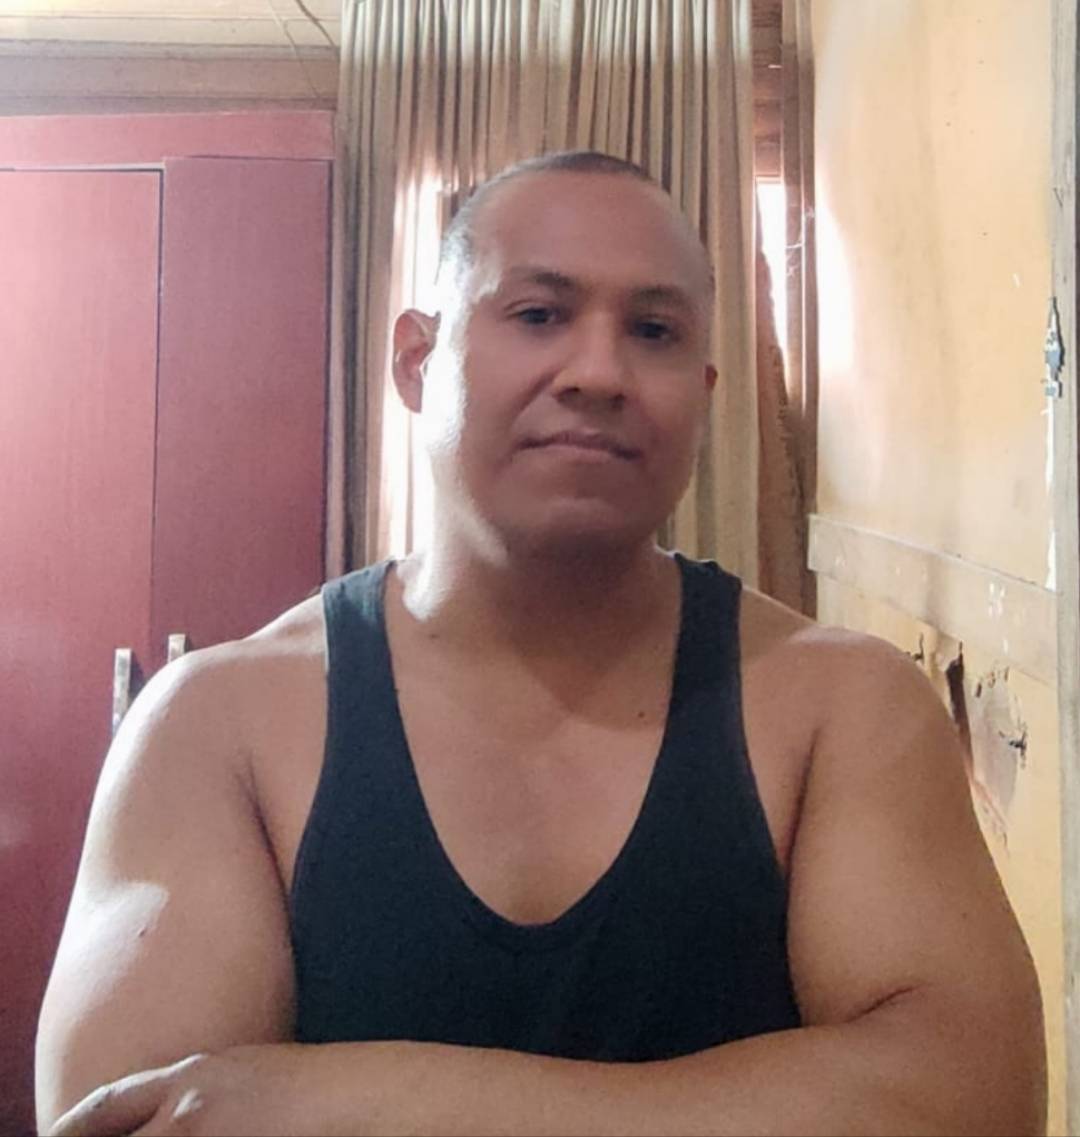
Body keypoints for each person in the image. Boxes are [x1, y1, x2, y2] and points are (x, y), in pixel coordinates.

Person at [37, 152, 1045, 1137]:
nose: (599, 372)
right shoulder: (218, 727)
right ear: (418, 361)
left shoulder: (845, 709)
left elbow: (971, 1101)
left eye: (652, 331)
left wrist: (338, 1101)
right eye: (537, 314)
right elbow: (134, 1118)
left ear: (703, 393)